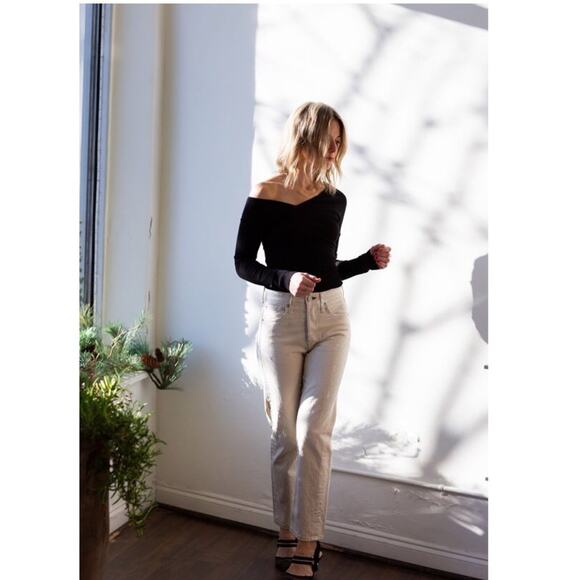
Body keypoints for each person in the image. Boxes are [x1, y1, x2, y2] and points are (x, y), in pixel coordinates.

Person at [234, 102, 391, 577]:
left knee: (313, 431)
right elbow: (243, 262)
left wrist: (365, 262)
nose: (336, 150)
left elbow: (327, 268)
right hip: (281, 320)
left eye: (340, 143)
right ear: (307, 137)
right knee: (284, 433)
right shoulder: (266, 193)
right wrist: (285, 279)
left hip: (331, 320)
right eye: (330, 141)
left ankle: (309, 539)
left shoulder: (334, 199)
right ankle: (285, 530)